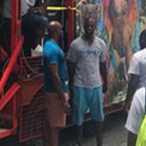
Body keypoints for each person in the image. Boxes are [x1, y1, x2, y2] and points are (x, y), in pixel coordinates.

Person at [67, 15, 108, 146]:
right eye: (87, 26)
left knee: (98, 118)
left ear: (95, 27)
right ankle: (79, 142)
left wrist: (105, 83)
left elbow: (103, 65)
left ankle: (99, 143)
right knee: (78, 119)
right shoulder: (75, 44)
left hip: (95, 85)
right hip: (80, 86)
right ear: (83, 27)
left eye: (91, 26)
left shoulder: (101, 44)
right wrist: (70, 84)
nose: (89, 28)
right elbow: (71, 65)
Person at [42, 21, 69, 146]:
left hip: (52, 92)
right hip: (55, 93)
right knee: (55, 128)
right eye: (61, 29)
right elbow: (54, 75)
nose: (62, 32)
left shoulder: (48, 45)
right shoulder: (52, 50)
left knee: (49, 125)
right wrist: (63, 99)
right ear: (56, 31)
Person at [125, 29, 146, 111]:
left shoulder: (138, 56)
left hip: (144, 95)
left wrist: (128, 100)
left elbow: (133, 81)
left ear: (142, 39)